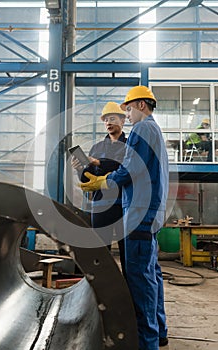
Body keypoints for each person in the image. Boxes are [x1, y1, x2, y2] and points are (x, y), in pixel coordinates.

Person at [80, 86, 169, 350]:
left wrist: (104, 181)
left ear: (141, 105)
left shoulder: (142, 130)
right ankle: (159, 332)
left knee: (139, 281)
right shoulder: (154, 130)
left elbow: (130, 169)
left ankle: (145, 342)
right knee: (151, 275)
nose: (126, 116)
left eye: (127, 109)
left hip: (139, 215)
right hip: (149, 213)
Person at [71, 101, 127, 278]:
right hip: (100, 204)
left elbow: (124, 168)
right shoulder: (97, 148)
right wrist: (80, 168)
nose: (108, 123)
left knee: (127, 249)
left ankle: (127, 286)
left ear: (123, 120)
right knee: (101, 251)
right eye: (106, 120)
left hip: (122, 204)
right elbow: (88, 179)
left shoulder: (130, 145)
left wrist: (97, 162)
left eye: (112, 118)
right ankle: (103, 286)